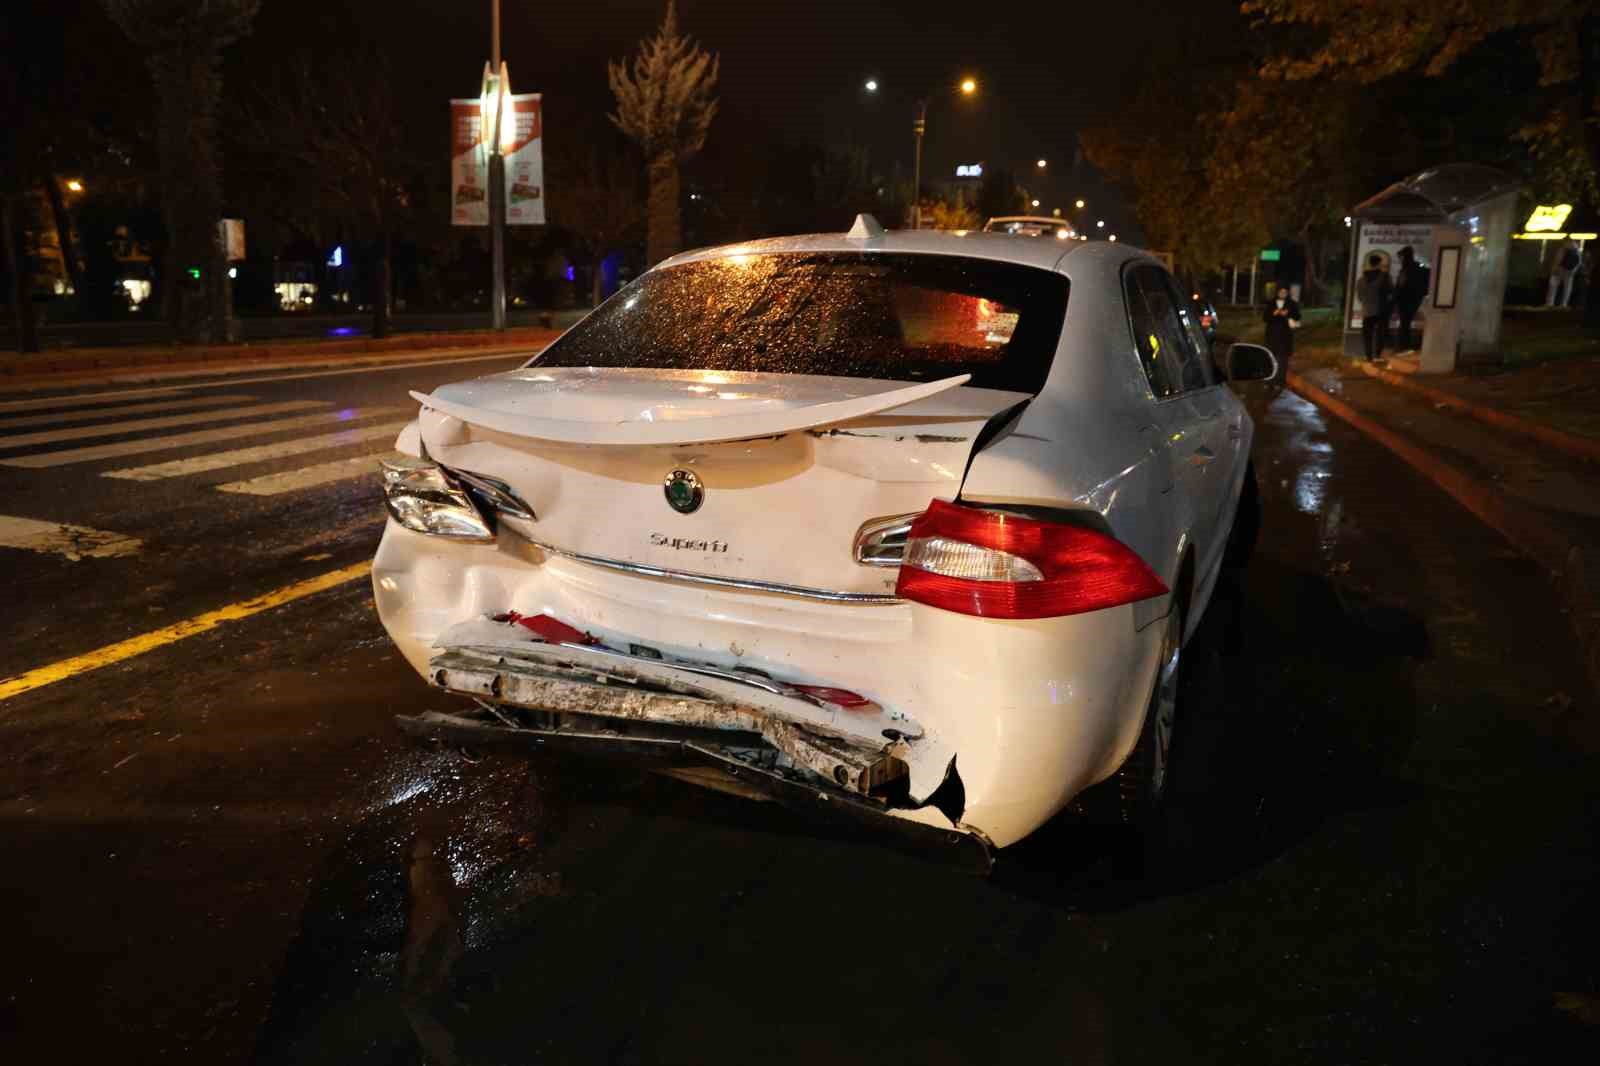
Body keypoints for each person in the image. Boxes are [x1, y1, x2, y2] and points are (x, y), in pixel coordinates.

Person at [1355, 253, 1393, 361]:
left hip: (1367, 311)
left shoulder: (1361, 280)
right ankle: (1378, 355)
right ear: (1379, 264)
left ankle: (1368, 357)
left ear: (1370, 263)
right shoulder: (1385, 277)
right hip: (1381, 311)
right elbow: (1391, 292)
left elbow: (1360, 297)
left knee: (1367, 335)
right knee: (1380, 334)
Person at [1262, 284, 1301, 379]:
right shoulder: (1271, 303)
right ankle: (1270, 377)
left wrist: (1288, 314)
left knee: (1283, 358)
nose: (1283, 294)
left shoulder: (1292, 303)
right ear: (1277, 292)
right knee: (1271, 356)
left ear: (1287, 293)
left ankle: (1281, 378)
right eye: (1281, 292)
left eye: (1285, 292)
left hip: (1285, 335)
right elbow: (1265, 318)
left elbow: (1298, 316)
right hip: (1272, 335)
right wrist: (1274, 314)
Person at [1394, 246, 1426, 351]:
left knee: (1404, 324)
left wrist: (1395, 296)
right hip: (1414, 299)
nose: (1400, 259)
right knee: (1405, 323)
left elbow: (1401, 285)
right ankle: (1404, 345)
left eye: (1401, 257)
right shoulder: (1417, 267)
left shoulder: (1407, 268)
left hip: (1405, 300)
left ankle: (1402, 346)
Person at [1548, 240, 1580, 307]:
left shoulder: (1562, 248)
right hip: (1569, 271)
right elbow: (1578, 262)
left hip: (1560, 269)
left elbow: (1558, 260)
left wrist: (1554, 269)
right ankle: (1563, 305)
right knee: (1567, 289)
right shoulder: (1576, 249)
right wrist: (1573, 270)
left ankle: (1550, 304)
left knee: (1553, 288)